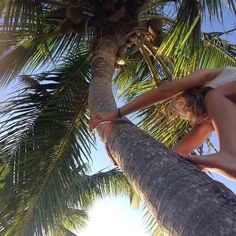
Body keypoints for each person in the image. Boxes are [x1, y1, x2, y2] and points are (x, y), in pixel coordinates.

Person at [89, 66, 236, 180]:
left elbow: (166, 91)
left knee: (215, 96)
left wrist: (117, 113)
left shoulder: (218, 76)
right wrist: (124, 160)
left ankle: (229, 155)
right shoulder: (215, 116)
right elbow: (178, 154)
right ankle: (228, 158)